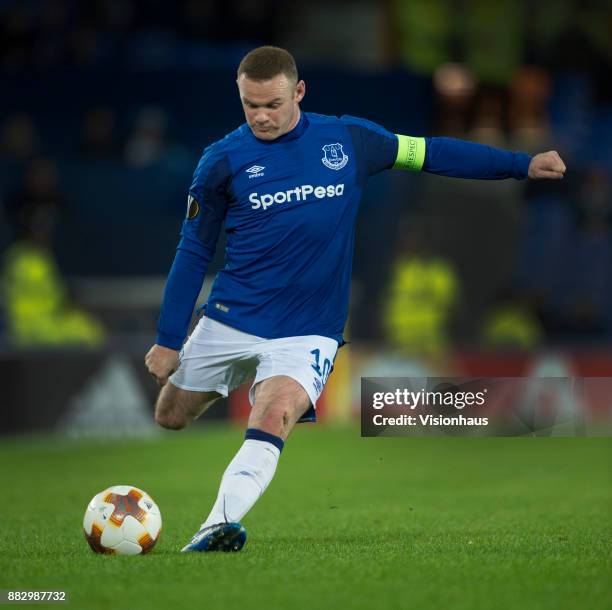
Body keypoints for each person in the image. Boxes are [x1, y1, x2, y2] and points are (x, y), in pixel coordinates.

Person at [144, 46, 566, 553]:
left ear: (299, 92)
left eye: (273, 104)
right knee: (170, 414)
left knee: (275, 411)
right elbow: (193, 251)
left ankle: (217, 526)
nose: (261, 116)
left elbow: (433, 153)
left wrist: (522, 164)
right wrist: (169, 339)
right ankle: (230, 376)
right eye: (250, 105)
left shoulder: (348, 140)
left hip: (308, 328)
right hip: (233, 318)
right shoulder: (221, 161)